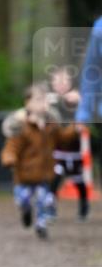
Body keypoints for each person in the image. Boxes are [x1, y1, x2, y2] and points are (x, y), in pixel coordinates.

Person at [1, 85, 78, 239]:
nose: (42, 104)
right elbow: (11, 147)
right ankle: (26, 211)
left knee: (44, 201)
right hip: (24, 176)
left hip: (44, 174)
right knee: (23, 199)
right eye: (38, 100)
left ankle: (41, 225)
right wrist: (9, 158)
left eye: (45, 100)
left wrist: (75, 129)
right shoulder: (21, 126)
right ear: (27, 103)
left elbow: (62, 139)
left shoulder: (51, 125)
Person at [45, 68, 89, 221]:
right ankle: (50, 209)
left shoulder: (76, 100)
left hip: (74, 151)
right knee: (54, 180)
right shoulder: (49, 102)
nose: (61, 84)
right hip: (57, 152)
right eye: (57, 80)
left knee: (79, 182)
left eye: (65, 80)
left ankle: (83, 208)